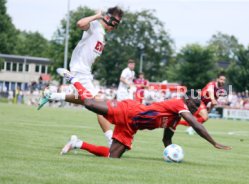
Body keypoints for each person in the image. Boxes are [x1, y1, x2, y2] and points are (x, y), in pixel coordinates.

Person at [57, 68, 231, 158]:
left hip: (132, 126)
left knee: (112, 156)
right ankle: (73, 79)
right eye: (193, 104)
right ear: (186, 101)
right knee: (88, 103)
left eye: (196, 106)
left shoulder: (175, 119)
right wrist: (213, 142)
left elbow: (166, 139)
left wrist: (171, 152)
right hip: (129, 110)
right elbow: (195, 123)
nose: (194, 108)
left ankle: (77, 143)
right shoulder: (179, 104)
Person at [38, 6, 124, 146]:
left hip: (85, 72)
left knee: (86, 100)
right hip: (80, 70)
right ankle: (111, 141)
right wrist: (97, 16)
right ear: (108, 18)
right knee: (99, 104)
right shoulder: (95, 25)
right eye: (115, 23)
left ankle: (52, 96)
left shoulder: (101, 35)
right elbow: (79, 24)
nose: (115, 28)